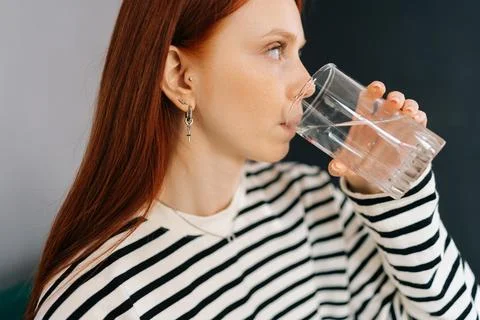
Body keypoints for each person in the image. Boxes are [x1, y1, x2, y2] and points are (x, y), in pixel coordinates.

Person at [26, 0, 479, 319]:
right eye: (274, 49)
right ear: (180, 77)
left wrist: (393, 196)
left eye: (297, 51)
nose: (305, 82)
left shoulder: (314, 201)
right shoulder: (101, 300)